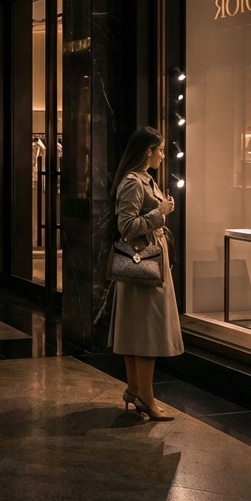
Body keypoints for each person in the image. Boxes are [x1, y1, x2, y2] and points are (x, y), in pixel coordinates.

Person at [108, 125, 183, 421]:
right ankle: (146, 398)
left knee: (137, 332)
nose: (163, 155)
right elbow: (126, 227)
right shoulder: (133, 182)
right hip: (143, 266)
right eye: (160, 150)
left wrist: (161, 211)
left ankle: (135, 390)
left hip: (148, 264)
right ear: (147, 151)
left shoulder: (145, 179)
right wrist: (159, 213)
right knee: (147, 335)